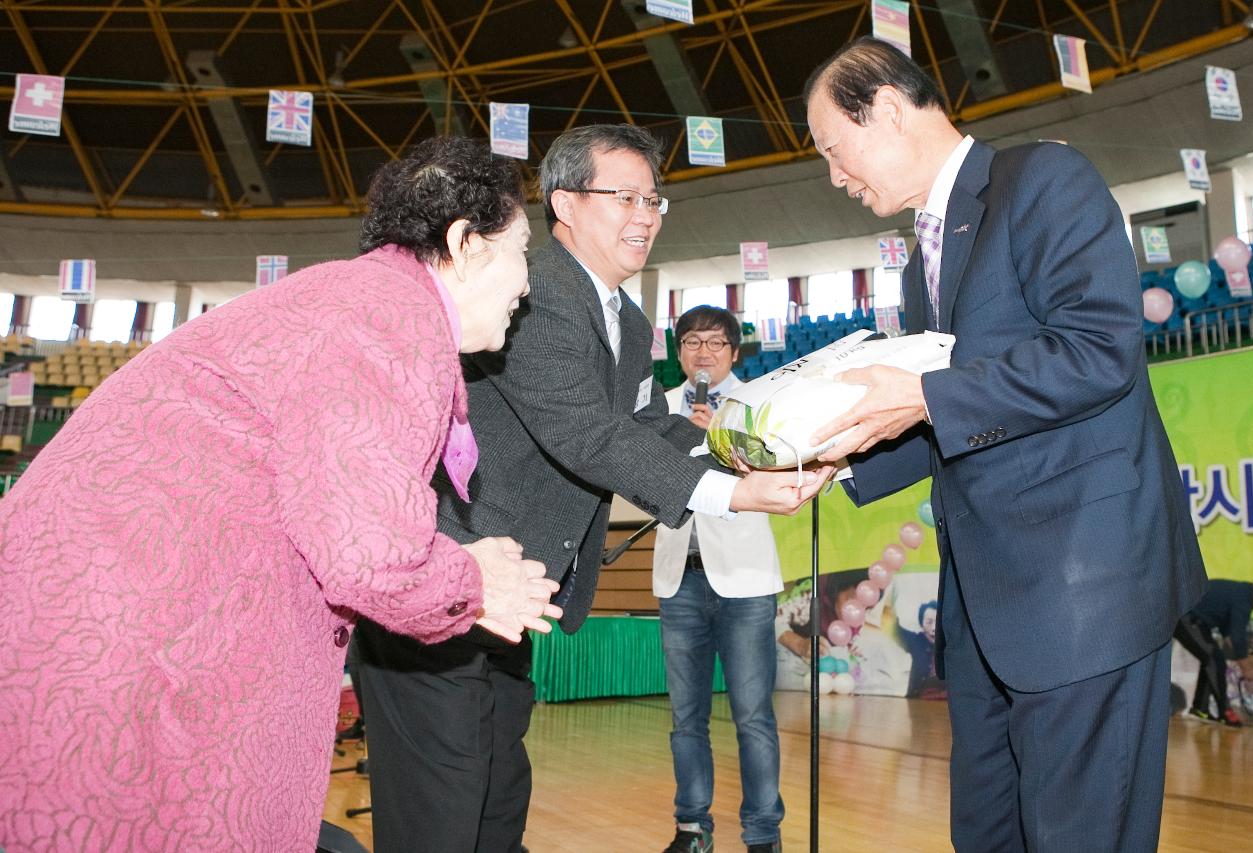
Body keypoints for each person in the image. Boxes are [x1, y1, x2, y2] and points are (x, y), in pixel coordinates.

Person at [0, 137, 562, 852]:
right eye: (521, 250)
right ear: (465, 243)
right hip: (130, 647)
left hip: (115, 625)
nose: (526, 284)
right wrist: (473, 582)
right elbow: (371, 558)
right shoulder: (389, 318)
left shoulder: (353, 300)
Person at [354, 124, 832, 853]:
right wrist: (732, 496)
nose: (646, 213)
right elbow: (587, 435)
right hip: (445, 592)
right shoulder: (535, 291)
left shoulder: (630, 320)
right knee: (442, 812)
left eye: (654, 199)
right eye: (626, 196)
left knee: (495, 796)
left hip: (511, 596)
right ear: (565, 204)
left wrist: (748, 457)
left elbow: (646, 424)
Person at [803, 38, 1206, 852]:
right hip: (990, 608)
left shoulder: (1043, 180)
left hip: (1082, 590)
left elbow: (1099, 349)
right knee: (987, 834)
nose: (834, 177)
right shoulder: (926, 256)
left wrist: (917, 394)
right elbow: (958, 415)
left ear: (883, 109)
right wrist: (830, 457)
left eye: (832, 151)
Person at [651, 306, 785, 853]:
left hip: (747, 581)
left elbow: (779, 473)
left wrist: (715, 440)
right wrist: (681, 438)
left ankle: (762, 834)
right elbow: (640, 482)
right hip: (678, 579)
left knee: (752, 716)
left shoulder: (760, 403)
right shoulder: (656, 410)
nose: (701, 352)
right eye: (690, 341)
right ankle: (691, 827)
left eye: (713, 341)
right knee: (686, 718)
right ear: (678, 352)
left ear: (733, 350)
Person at [1174, 576, 1253, 726]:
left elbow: (1229, 634)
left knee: (1214, 659)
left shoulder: (1243, 593)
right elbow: (1236, 639)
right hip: (1186, 618)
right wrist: (1247, 670)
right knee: (1213, 659)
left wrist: (1243, 661)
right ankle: (1225, 711)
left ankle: (1200, 709)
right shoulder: (1244, 598)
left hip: (1193, 620)